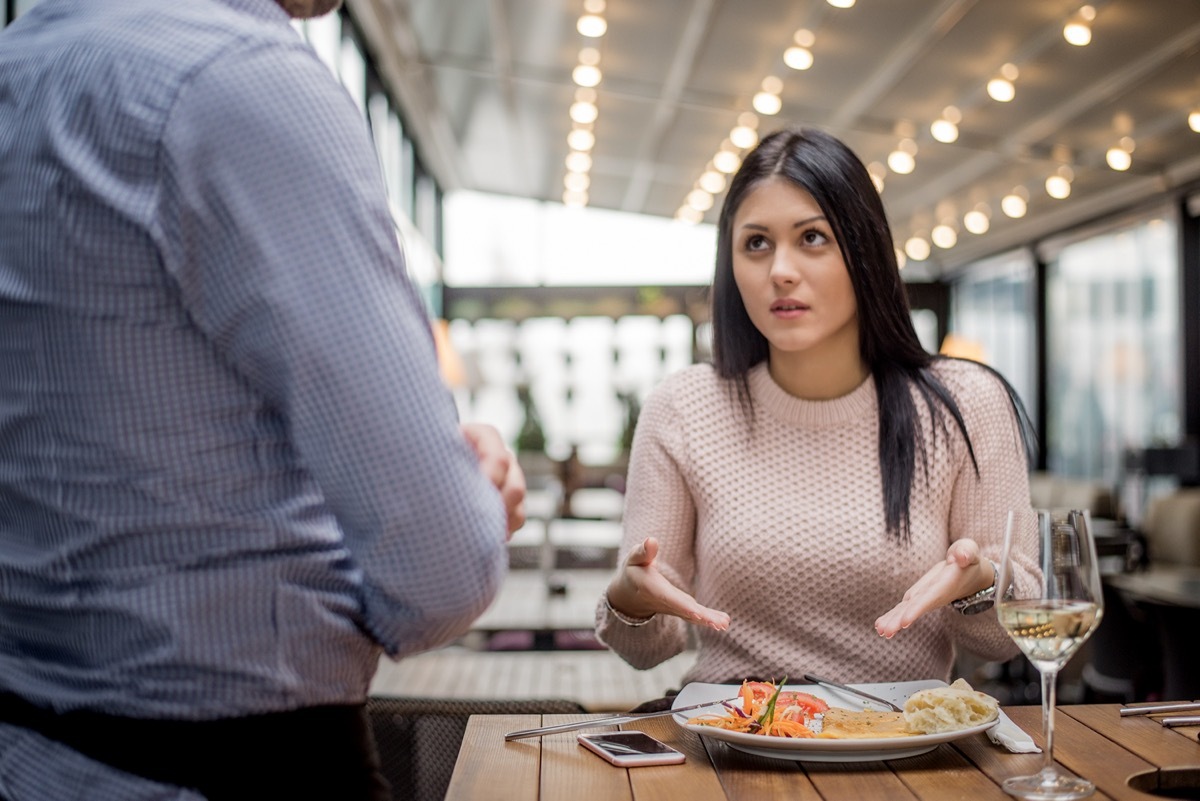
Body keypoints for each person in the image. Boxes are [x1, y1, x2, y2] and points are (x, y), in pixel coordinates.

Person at [0, 1, 523, 799]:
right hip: (246, 763)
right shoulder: (239, 80)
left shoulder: (24, 62)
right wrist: (470, 501)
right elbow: (440, 570)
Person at [596, 127, 1039, 690]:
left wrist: (978, 582)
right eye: (756, 243)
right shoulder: (683, 408)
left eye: (812, 238)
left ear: (864, 249)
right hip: (734, 744)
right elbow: (648, 649)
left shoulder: (965, 403)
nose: (780, 269)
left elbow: (1005, 641)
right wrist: (629, 601)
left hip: (905, 749)